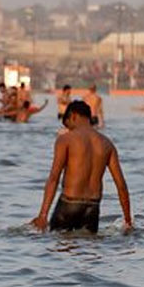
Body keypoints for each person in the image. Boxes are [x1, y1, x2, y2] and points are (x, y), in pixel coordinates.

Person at [31, 100, 133, 234]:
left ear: (73, 116)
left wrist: (43, 215)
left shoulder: (66, 139)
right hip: (93, 208)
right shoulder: (107, 143)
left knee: (59, 249)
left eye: (68, 125)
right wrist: (128, 221)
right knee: (89, 251)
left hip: (69, 205)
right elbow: (121, 185)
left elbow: (54, 178)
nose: (68, 129)